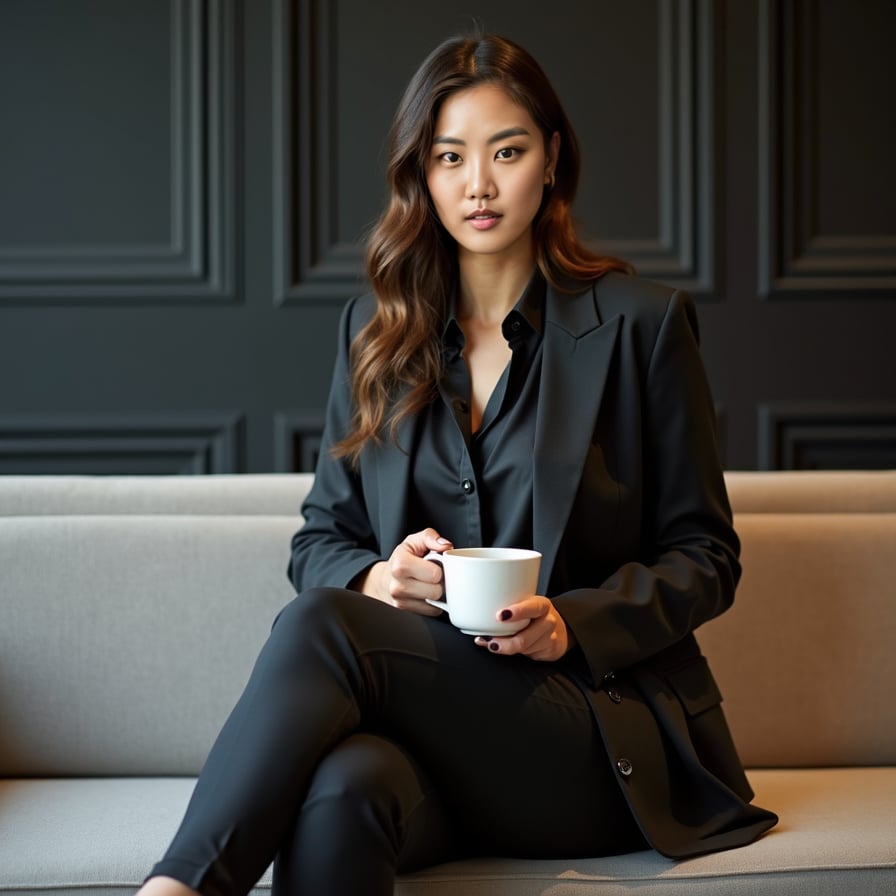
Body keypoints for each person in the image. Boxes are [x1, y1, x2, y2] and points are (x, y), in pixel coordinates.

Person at [139, 31, 777, 896]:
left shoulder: (641, 325)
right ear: (423, 175)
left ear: (552, 159)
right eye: (449, 158)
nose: (478, 184)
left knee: (324, 626)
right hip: (438, 746)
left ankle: (177, 889)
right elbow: (322, 538)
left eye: (506, 152)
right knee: (342, 790)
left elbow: (706, 555)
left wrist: (571, 623)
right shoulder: (376, 332)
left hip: (589, 732)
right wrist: (379, 580)